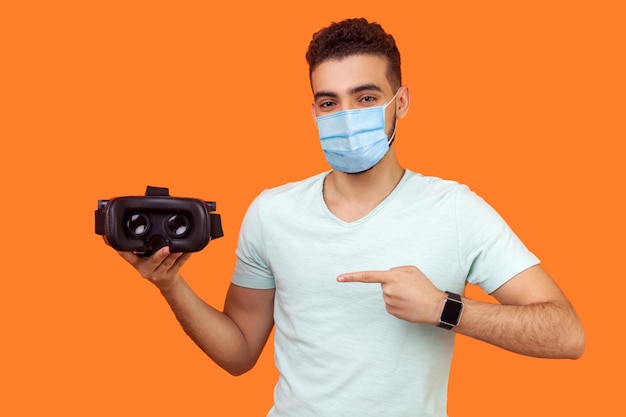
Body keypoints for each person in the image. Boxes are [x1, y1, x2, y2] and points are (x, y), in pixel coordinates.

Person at [117, 17, 585, 417]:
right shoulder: (272, 212)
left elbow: (567, 334)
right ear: (314, 110)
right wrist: (169, 284)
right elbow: (239, 352)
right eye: (329, 102)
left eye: (365, 98)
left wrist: (445, 309)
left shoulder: (456, 210)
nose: (345, 115)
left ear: (400, 101)